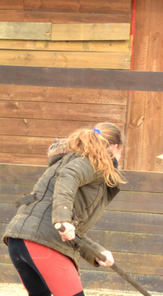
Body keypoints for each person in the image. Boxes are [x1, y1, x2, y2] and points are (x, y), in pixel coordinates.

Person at [3, 122, 126, 296]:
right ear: (115, 147)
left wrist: (95, 251)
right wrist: (63, 218)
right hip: (41, 244)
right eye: (121, 152)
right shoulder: (95, 162)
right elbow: (69, 175)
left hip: (19, 241)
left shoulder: (70, 160)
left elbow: (62, 228)